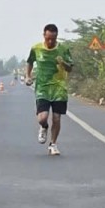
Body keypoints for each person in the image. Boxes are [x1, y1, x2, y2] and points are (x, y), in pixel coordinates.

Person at [28, 24, 75, 155]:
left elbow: (70, 68)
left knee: (56, 118)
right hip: (42, 88)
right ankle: (43, 127)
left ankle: (53, 144)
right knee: (42, 117)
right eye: (48, 39)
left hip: (59, 88)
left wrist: (63, 63)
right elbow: (30, 62)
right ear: (44, 35)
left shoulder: (63, 49)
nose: (50, 42)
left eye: (53, 39)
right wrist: (28, 76)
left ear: (56, 37)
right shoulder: (36, 48)